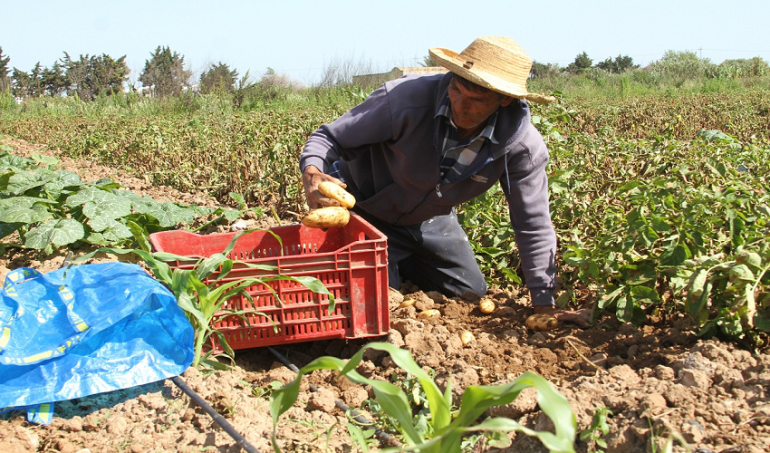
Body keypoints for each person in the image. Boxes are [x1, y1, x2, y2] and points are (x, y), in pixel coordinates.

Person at [301, 36, 589, 326]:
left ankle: (402, 260)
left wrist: (544, 301)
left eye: (477, 100)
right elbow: (329, 137)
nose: (460, 105)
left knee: (471, 294)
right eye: (457, 89)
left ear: (505, 99)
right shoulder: (404, 99)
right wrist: (313, 171)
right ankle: (389, 264)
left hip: (430, 221)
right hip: (367, 212)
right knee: (375, 303)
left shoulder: (521, 148)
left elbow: (532, 222)